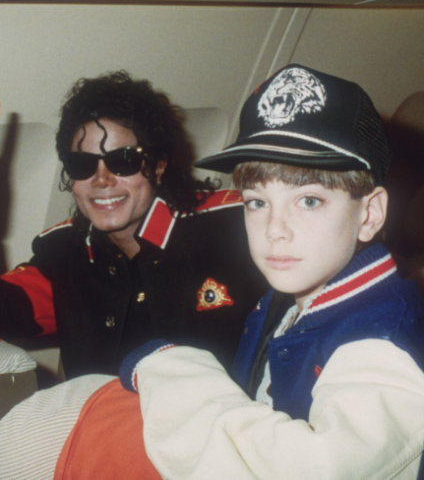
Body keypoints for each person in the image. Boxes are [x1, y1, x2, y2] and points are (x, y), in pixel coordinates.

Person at [119, 64, 424, 479]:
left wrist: (169, 368)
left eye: (309, 201)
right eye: (257, 202)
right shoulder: (284, 299)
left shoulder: (384, 344)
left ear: (369, 213)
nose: (274, 230)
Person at [0, 72, 268, 378]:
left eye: (123, 161)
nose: (101, 180)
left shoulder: (236, 228)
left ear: (158, 166)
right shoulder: (66, 255)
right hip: (102, 429)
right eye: (83, 165)